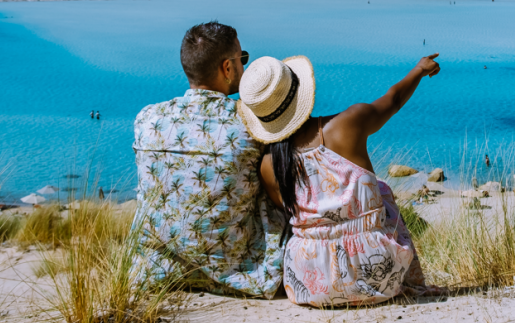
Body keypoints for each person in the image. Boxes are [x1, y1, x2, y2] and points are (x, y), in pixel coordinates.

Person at [239, 53, 441, 307]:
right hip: (377, 273)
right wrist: (419, 70)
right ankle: (409, 281)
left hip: (308, 283)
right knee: (382, 190)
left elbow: (286, 210)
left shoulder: (269, 165)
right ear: (301, 90)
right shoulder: (348, 123)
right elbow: (394, 99)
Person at [130, 22, 284, 298]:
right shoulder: (249, 123)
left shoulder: (147, 119)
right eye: (242, 59)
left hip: (156, 271)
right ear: (227, 68)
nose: (244, 68)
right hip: (238, 271)